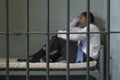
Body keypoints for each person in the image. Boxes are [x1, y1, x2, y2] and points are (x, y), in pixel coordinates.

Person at [17, 12, 100, 63]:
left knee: (60, 39)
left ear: (88, 19)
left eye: (81, 18)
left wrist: (58, 33)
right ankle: (51, 58)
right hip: (82, 55)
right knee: (62, 38)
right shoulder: (84, 29)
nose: (80, 20)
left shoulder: (92, 27)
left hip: (87, 58)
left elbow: (77, 36)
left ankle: (35, 57)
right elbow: (68, 29)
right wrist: (76, 20)